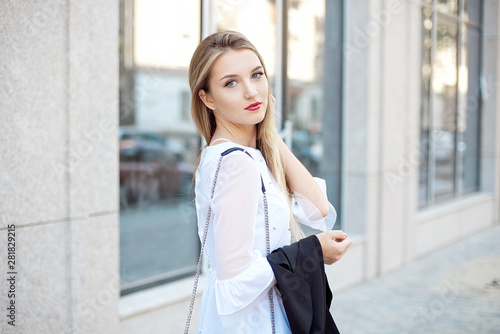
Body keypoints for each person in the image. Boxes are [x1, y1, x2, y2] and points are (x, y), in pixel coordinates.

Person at [189, 31, 351, 333]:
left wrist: (268, 131)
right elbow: (234, 282)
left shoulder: (247, 156)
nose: (252, 92)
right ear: (207, 98)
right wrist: (312, 251)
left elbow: (318, 210)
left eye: (257, 75)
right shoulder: (236, 163)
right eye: (231, 83)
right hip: (255, 322)